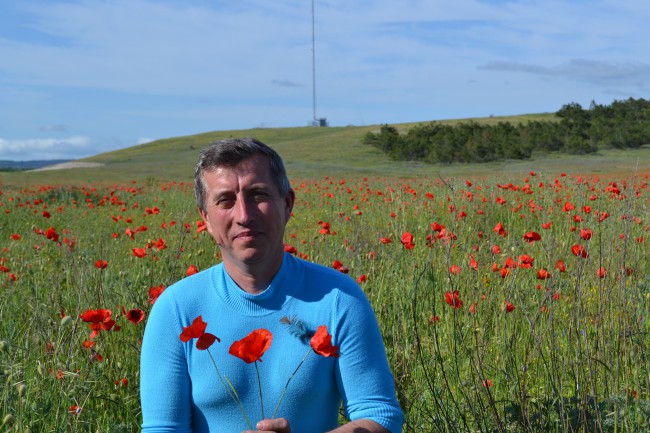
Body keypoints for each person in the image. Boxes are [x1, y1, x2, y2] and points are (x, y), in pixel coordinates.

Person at [140, 138, 404, 433]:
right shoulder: (176, 309)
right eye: (225, 200)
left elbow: (381, 416)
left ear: (287, 203)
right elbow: (162, 429)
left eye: (258, 195)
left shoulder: (339, 299)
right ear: (206, 218)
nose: (244, 215)